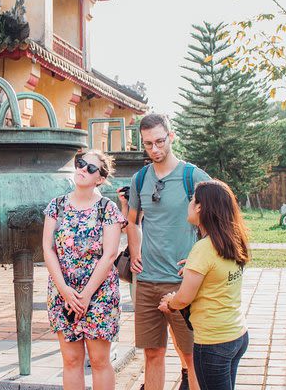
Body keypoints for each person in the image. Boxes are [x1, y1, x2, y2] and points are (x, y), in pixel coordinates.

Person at [125, 113, 210, 390]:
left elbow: (219, 219)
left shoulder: (192, 176)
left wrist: (200, 258)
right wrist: (135, 250)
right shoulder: (140, 179)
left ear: (171, 137)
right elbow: (132, 220)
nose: (155, 149)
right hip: (147, 280)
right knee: (153, 353)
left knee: (191, 355)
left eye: (160, 141)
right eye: (148, 144)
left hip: (182, 281)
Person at [42, 150, 126, 390]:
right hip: (62, 292)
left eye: (91, 168)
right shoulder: (56, 206)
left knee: (99, 361)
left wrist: (85, 295)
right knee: (71, 360)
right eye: (80, 164)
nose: (82, 169)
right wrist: (65, 291)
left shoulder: (107, 209)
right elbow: (48, 249)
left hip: (99, 293)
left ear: (100, 178)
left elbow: (110, 254)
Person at [159, 180, 250, 390]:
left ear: (200, 207)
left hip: (213, 342)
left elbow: (184, 298)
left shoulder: (203, 248)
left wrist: (170, 303)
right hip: (237, 335)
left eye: (192, 200)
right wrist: (192, 269)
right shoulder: (232, 240)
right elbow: (216, 274)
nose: (189, 205)